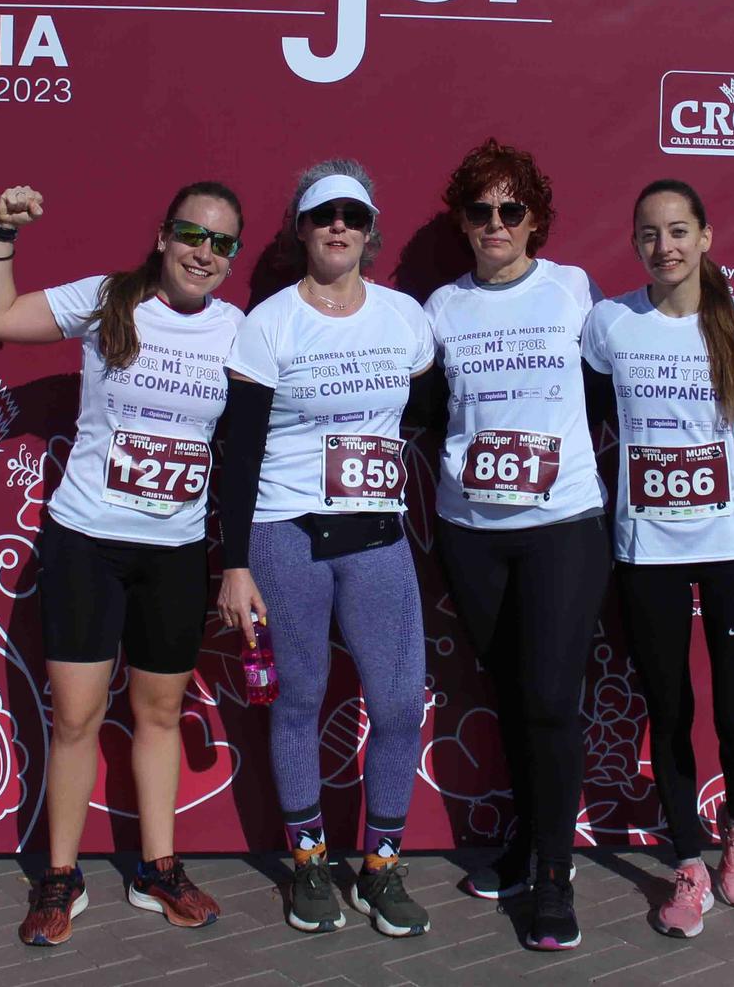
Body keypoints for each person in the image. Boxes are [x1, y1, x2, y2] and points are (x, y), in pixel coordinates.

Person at [0, 181, 246, 948]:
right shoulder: (107, 299)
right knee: (77, 717)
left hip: (176, 550)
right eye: (194, 233)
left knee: (160, 714)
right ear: (164, 235)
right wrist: (1, 230)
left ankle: (158, 868)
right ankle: (61, 876)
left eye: (223, 242)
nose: (205, 252)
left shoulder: (237, 329)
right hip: (87, 542)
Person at [215, 159, 435, 938]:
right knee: (299, 700)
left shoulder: (408, 319)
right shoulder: (268, 322)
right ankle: (308, 863)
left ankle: (379, 868)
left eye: (352, 213)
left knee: (401, 702)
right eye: (322, 215)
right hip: (286, 533)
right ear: (301, 231)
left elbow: (435, 416)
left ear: (370, 231)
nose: (337, 225)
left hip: (377, 535)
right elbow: (238, 452)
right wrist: (235, 562)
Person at [581, 178, 734, 940]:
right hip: (647, 552)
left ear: (706, 236)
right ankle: (688, 863)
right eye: (648, 233)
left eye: (677, 230)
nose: (662, 246)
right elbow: (582, 422)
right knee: (668, 712)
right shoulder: (610, 325)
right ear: (634, 243)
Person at [422, 138, 609, 952]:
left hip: (563, 526)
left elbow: (616, 389)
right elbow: (423, 412)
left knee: (549, 700)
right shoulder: (439, 307)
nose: (494, 223)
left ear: (535, 219)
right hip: (472, 533)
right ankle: (527, 844)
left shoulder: (574, 290)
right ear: (463, 222)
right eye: (480, 210)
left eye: (510, 209)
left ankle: (555, 876)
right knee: (510, 695)